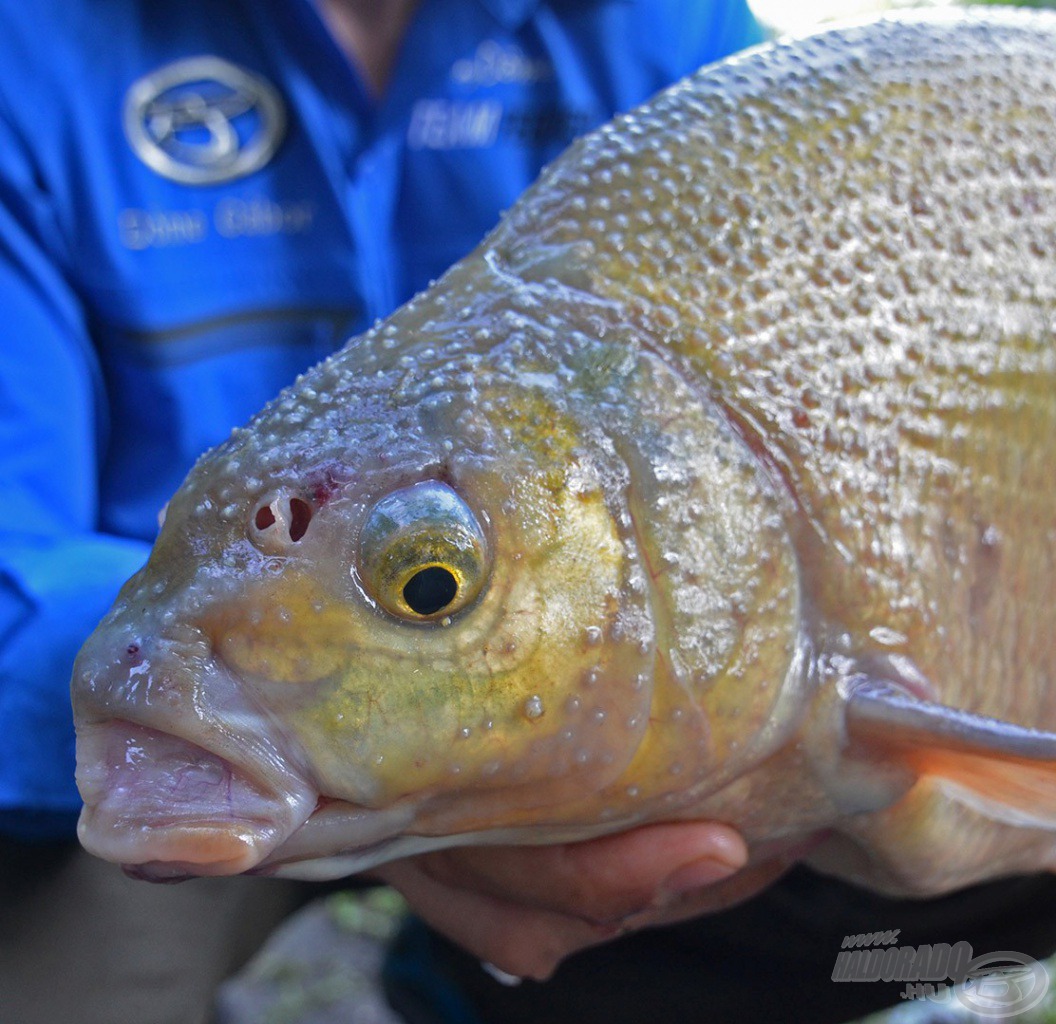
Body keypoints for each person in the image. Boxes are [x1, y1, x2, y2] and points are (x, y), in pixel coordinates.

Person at [0, 2, 765, 1022]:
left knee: (933, 837)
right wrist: (359, 703)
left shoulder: (673, 33)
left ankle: (469, 990)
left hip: (587, 688)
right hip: (178, 720)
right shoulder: (30, 55)